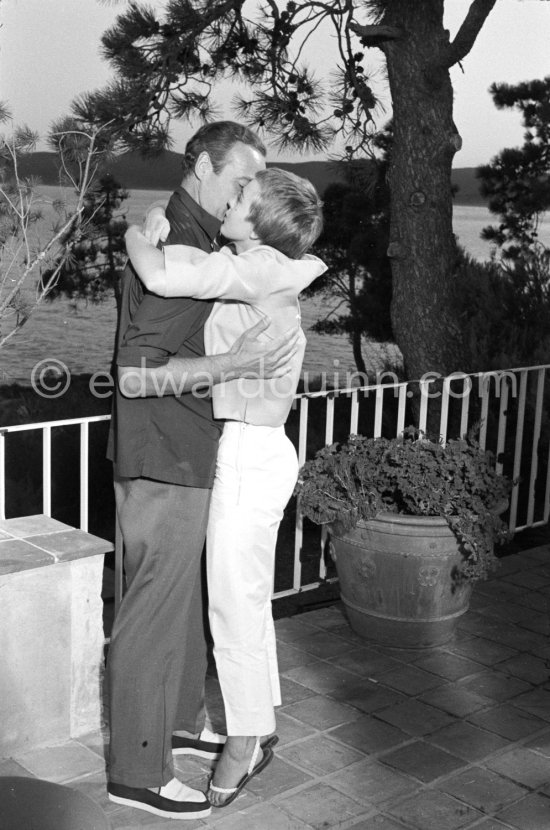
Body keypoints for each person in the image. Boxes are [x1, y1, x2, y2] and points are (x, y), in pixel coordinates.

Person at [106, 123, 300, 822]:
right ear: (201, 166)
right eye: (241, 180)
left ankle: (174, 723)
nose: (249, 194)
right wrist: (231, 367)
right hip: (166, 454)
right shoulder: (185, 243)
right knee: (153, 615)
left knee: (178, 608)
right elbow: (134, 377)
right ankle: (136, 770)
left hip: (181, 452)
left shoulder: (188, 233)